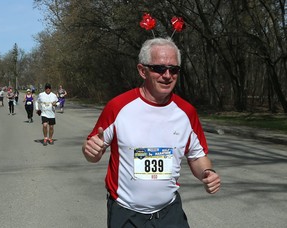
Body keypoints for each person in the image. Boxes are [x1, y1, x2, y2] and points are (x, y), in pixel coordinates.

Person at [82, 37, 221, 228]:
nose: (167, 75)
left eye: (173, 70)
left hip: (169, 212)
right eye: (159, 68)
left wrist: (207, 173)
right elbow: (92, 152)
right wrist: (90, 151)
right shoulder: (118, 107)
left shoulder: (186, 112)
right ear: (142, 71)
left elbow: (197, 156)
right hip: (126, 212)